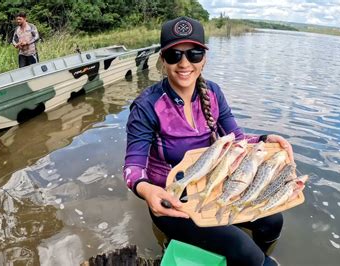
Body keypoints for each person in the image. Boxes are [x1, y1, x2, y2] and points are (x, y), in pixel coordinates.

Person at [123, 16, 295, 266]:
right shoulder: (147, 106)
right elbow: (133, 168)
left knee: (272, 221)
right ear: (162, 59)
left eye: (193, 54)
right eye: (174, 55)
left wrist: (264, 138)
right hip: (173, 200)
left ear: (203, 58)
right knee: (241, 247)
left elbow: (237, 139)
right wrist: (148, 191)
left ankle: (252, 259)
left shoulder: (213, 93)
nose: (184, 63)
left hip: (215, 188)